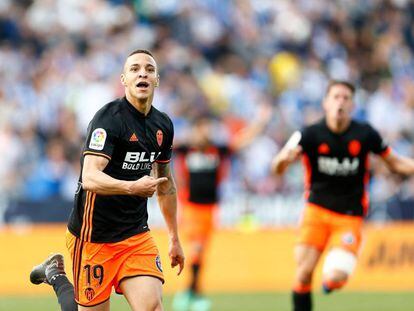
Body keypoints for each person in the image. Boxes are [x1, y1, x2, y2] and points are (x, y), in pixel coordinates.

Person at [30, 49, 185, 311]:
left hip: (135, 235)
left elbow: (165, 184)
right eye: (134, 69)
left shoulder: (163, 126)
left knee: (152, 307)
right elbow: (90, 177)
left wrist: (174, 237)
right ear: (124, 79)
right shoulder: (109, 119)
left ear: (157, 79)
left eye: (148, 69)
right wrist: (132, 187)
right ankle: (56, 275)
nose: (142, 73)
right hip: (93, 237)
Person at [271, 80, 414, 311]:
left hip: (349, 216)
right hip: (315, 211)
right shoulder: (308, 134)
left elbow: (396, 163)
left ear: (352, 105)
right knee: (303, 273)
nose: (340, 102)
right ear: (325, 103)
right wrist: (282, 160)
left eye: (346, 98)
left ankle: (333, 280)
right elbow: (276, 166)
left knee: (335, 276)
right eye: (336, 97)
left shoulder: (365, 134)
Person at [172, 105, 271, 311]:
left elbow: (243, 141)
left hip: (211, 209)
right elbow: (161, 142)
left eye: (209, 127)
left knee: (201, 253)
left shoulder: (218, 150)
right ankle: (192, 294)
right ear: (195, 129)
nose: (206, 132)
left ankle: (191, 293)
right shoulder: (185, 149)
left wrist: (260, 121)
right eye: (202, 128)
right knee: (197, 249)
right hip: (191, 208)